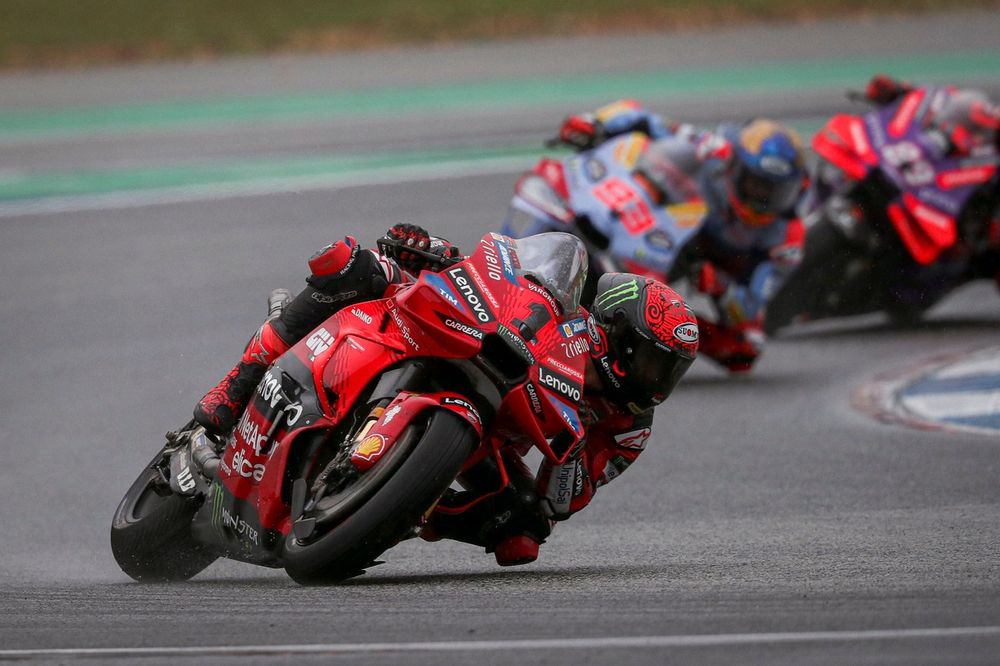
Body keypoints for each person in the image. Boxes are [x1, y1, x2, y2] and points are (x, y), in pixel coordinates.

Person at [192, 224, 699, 566]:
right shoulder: (570, 322)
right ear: (615, 332)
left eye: (670, 371)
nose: (658, 382)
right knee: (351, 265)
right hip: (442, 335)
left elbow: (563, 499)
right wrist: (432, 251)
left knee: (522, 532)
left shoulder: (630, 427)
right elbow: (510, 281)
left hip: (489, 441)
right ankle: (233, 391)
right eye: (653, 362)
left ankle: (405, 510)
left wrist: (577, 438)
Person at [555, 99, 807, 373]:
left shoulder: (787, 239)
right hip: (669, 233)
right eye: (757, 184)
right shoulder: (715, 150)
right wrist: (595, 122)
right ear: (735, 168)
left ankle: (659, 348)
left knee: (747, 348)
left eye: (776, 191)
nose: (763, 198)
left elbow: (751, 306)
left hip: (718, 270)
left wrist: (718, 284)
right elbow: (646, 119)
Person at [856, 75, 1000, 290]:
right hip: (921, 177)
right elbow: (939, 104)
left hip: (952, 242)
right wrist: (898, 92)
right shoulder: (984, 111)